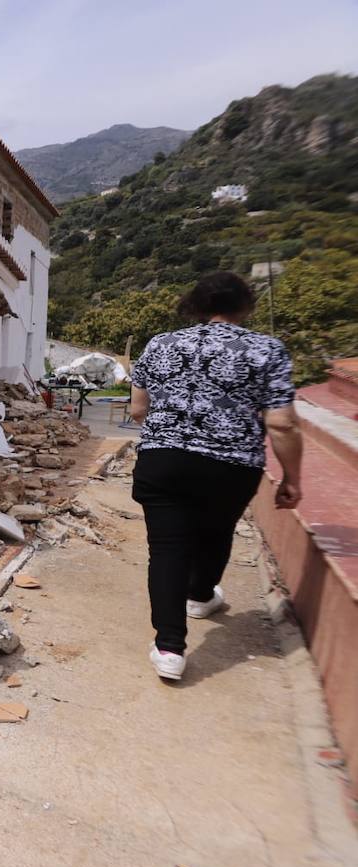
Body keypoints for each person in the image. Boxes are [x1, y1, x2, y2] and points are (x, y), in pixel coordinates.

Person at [128, 271, 303, 680]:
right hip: (232, 465)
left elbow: (138, 410)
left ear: (197, 305)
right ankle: (201, 595)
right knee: (216, 530)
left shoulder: (162, 344)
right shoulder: (267, 350)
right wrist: (293, 479)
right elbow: (282, 425)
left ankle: (170, 648)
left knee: (168, 549)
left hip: (163, 459)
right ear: (246, 307)